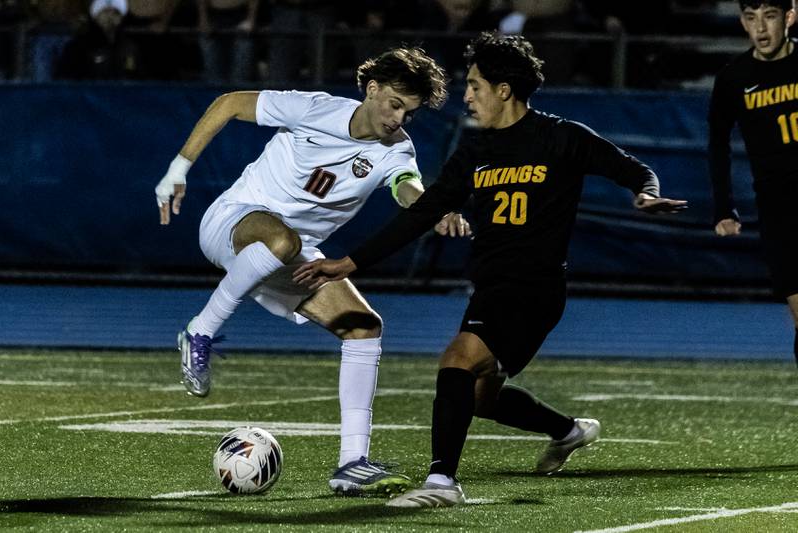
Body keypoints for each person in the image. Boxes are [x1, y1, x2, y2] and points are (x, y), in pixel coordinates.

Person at [294, 31, 687, 508]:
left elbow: (631, 168)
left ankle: (442, 482)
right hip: (491, 288)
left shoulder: (560, 137)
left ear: (505, 90)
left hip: (535, 289)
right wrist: (349, 263)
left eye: (476, 85)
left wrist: (645, 193)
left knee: (458, 358)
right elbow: (421, 214)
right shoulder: (475, 153)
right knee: (479, 398)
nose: (467, 95)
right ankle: (568, 431)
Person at [154, 47, 471, 496]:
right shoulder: (313, 108)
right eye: (395, 103)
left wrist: (432, 210)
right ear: (372, 89)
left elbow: (406, 187)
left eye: (410, 112)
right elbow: (228, 103)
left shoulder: (396, 148)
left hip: (287, 254)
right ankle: (199, 331)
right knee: (286, 241)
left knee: (364, 327)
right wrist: (178, 168)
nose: (399, 118)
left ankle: (351, 464)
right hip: (233, 221)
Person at [708, 0, 798, 367]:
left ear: (790, 17)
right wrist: (723, 207)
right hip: (780, 211)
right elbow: (718, 144)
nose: (760, 28)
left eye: (770, 16)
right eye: (750, 18)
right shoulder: (734, 78)